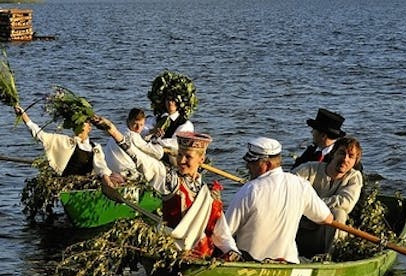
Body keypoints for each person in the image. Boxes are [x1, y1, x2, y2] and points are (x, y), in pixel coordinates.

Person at [97, 116, 240, 260]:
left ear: (201, 160)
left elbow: (221, 233)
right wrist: (114, 132)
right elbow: (141, 159)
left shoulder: (207, 193)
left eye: (188, 157)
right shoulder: (170, 180)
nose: (181, 161)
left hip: (202, 257)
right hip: (173, 253)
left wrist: (232, 251)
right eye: (179, 155)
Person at [225, 137, 334, 264]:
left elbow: (225, 231)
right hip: (289, 263)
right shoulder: (301, 184)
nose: (247, 166)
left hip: (251, 264)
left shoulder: (250, 190)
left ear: (267, 165)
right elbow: (327, 218)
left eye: (252, 162)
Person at [12, 105, 119, 187]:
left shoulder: (95, 147)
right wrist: (24, 116)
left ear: (89, 127)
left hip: (88, 183)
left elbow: (101, 167)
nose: (80, 125)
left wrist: (106, 179)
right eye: (78, 123)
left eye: (84, 123)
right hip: (69, 183)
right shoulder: (65, 141)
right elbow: (40, 135)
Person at [292, 136, 363, 258]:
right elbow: (288, 189)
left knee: (339, 213)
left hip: (323, 235)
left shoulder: (354, 177)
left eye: (350, 156)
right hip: (298, 230)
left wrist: (310, 204)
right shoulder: (309, 169)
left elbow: (346, 203)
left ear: (355, 162)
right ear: (333, 154)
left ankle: (330, 257)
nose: (345, 159)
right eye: (342, 153)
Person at [104, 108, 166, 182]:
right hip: (124, 171)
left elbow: (140, 133)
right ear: (128, 121)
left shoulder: (120, 129)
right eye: (135, 124)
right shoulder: (132, 135)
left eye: (141, 125)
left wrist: (151, 131)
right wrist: (158, 142)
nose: (138, 128)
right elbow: (156, 153)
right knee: (152, 161)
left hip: (109, 167)